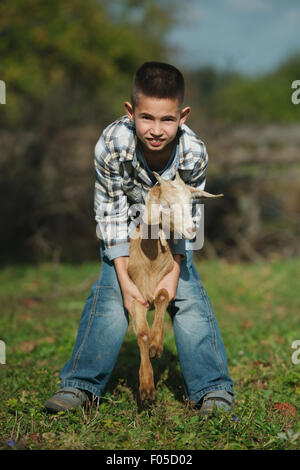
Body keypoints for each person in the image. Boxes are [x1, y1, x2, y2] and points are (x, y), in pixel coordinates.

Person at [44, 62, 234, 415]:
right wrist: (124, 276)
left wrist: (175, 269)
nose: (157, 130)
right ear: (130, 112)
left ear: (183, 116)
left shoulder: (193, 152)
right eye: (147, 118)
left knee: (189, 298)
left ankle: (213, 389)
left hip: (170, 237)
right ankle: (80, 385)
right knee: (110, 297)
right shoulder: (112, 144)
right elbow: (110, 212)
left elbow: (189, 216)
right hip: (125, 231)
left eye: (167, 119)